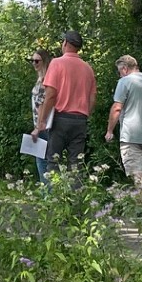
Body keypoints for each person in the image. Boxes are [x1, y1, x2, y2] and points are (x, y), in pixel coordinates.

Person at [30, 30, 96, 175]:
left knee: (53, 160)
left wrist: (42, 121)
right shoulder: (88, 68)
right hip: (80, 120)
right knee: (76, 163)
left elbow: (50, 95)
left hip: (60, 119)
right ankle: (76, 188)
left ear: (65, 43)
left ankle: (55, 189)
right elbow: (92, 98)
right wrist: (85, 115)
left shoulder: (57, 63)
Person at [104, 53, 142, 197]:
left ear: (125, 69)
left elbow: (117, 108)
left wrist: (109, 131)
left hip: (130, 137)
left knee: (139, 179)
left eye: (119, 72)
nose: (120, 75)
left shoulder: (124, 82)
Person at [27, 48, 51, 183]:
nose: (34, 63)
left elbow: (42, 104)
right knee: (43, 160)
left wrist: (38, 126)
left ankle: (47, 191)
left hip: (43, 125)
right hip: (41, 123)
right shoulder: (40, 79)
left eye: (37, 61)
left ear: (44, 61)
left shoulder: (45, 81)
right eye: (32, 61)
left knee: (42, 161)